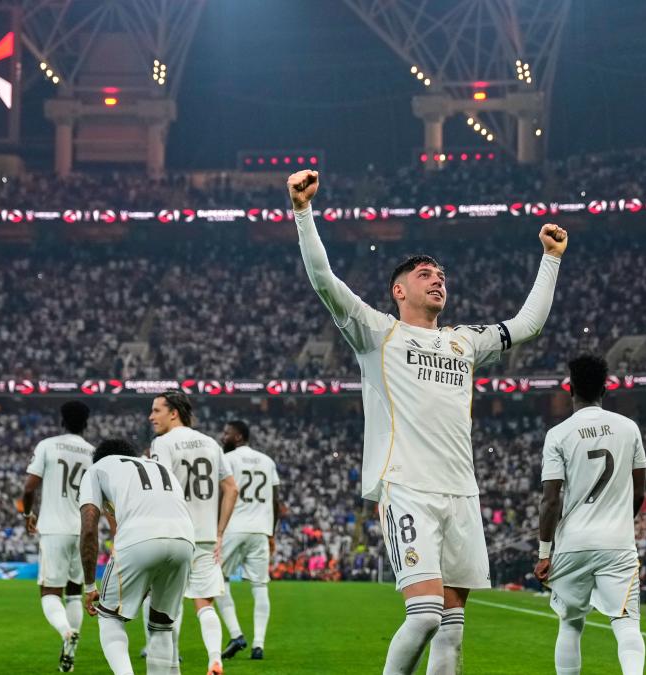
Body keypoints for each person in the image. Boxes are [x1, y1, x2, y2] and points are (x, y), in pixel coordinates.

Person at [288, 168, 566, 674]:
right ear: (398, 290)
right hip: (408, 488)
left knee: (453, 631)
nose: (437, 279)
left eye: (441, 275)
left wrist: (550, 260)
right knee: (423, 616)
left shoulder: (463, 341)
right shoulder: (377, 333)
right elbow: (323, 281)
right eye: (424, 275)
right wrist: (304, 212)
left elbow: (528, 325)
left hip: (461, 492)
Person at [534, 354, 646, 675]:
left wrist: (545, 553)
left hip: (572, 543)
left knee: (570, 623)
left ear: (571, 390)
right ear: (605, 390)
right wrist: (619, 523)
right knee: (626, 623)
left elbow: (550, 499)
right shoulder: (629, 428)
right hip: (617, 543)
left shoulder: (558, 434)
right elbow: (639, 493)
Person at [79, 438, 196, 675]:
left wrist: (90, 584)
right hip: (185, 540)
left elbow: (89, 527)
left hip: (139, 537)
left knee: (109, 617)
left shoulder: (97, 469)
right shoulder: (159, 468)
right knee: (162, 625)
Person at [148, 391, 239, 675]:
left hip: (173, 534)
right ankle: (215, 659)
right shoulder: (211, 443)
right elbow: (232, 488)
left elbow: (158, 489)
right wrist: (220, 531)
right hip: (205, 536)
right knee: (205, 604)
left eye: (156, 410)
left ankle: (172, 666)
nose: (151, 417)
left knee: (165, 606)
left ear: (173, 412)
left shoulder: (162, 443)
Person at [22, 401, 95, 672]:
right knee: (75, 592)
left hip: (53, 528)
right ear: (86, 423)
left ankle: (66, 632)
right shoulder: (93, 453)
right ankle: (70, 650)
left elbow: (29, 488)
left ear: (62, 420)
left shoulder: (48, 445)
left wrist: (27, 515)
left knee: (50, 592)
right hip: (83, 530)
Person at [216, 420, 282, 661]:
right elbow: (275, 501)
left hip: (234, 527)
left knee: (218, 580)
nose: (223, 437)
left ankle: (236, 634)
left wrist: (217, 530)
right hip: (260, 531)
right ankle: (258, 645)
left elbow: (221, 496)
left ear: (240, 437)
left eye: (227, 434)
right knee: (260, 586)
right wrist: (271, 532)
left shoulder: (228, 460)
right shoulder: (268, 461)